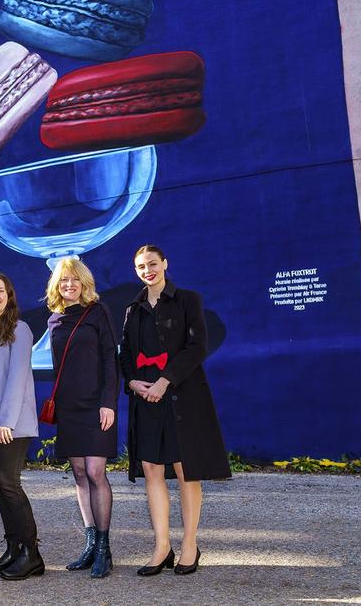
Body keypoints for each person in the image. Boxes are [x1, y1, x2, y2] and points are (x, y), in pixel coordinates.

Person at [120, 244, 230, 577]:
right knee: (151, 469)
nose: (148, 271)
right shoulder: (133, 309)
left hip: (182, 397)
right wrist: (132, 382)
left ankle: (190, 545)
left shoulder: (188, 300)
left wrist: (165, 381)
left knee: (185, 471)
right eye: (141, 267)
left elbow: (196, 346)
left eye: (152, 264)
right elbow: (126, 353)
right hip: (145, 400)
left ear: (165, 264)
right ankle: (161, 547)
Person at [45, 259, 119, 579]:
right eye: (64, 280)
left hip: (96, 405)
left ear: (84, 283)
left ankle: (104, 548)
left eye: (75, 280)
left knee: (95, 472)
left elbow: (110, 359)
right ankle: (90, 544)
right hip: (69, 407)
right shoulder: (54, 319)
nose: (70, 285)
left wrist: (108, 403)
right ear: (57, 285)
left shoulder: (98, 312)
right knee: (78, 473)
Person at [0, 273, 42, 581]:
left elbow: (17, 378)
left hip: (9, 424)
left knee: (9, 484)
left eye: (1, 291)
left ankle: (32, 554)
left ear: (9, 295)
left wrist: (7, 421)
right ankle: (13, 548)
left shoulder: (19, 329)